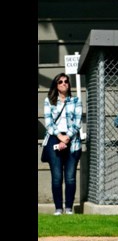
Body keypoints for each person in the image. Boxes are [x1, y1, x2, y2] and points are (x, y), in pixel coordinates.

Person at [44, 73, 83, 215]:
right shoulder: (49, 101)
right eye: (60, 82)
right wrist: (60, 137)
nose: (64, 83)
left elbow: (78, 122)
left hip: (72, 142)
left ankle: (69, 208)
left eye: (66, 81)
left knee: (70, 177)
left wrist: (67, 137)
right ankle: (58, 208)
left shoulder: (76, 100)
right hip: (55, 138)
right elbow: (48, 123)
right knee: (57, 177)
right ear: (56, 85)